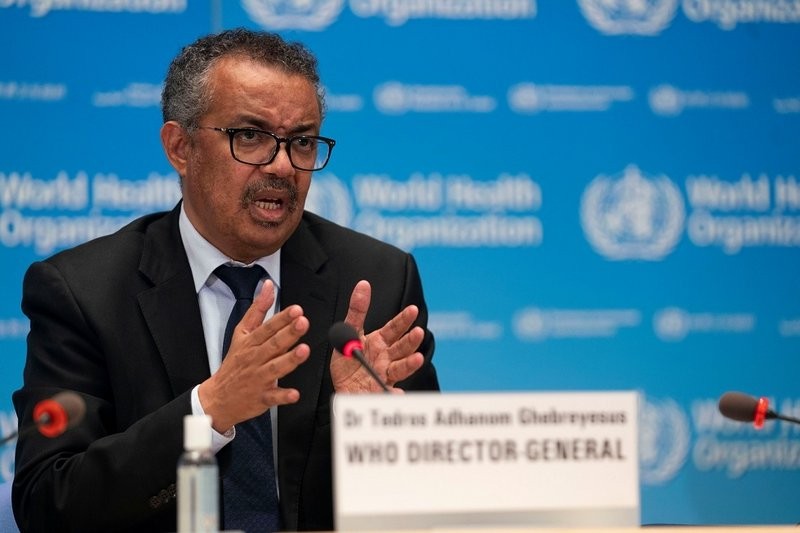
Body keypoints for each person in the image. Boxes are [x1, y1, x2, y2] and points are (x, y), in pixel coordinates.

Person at [12, 28, 439, 533]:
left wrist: (372, 437)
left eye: (302, 142)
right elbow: (47, 500)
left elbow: (434, 496)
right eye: (250, 137)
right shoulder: (84, 292)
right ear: (180, 147)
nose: (283, 166)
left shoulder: (375, 281)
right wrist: (207, 412)